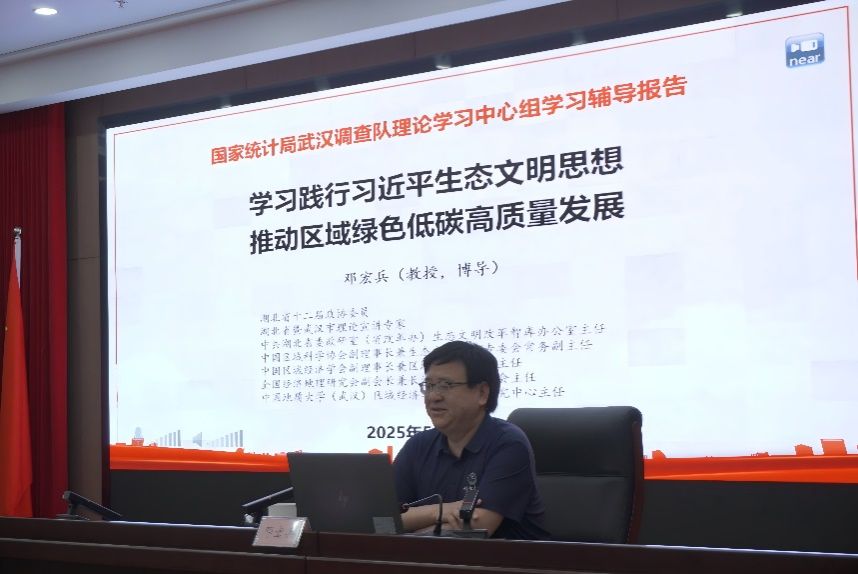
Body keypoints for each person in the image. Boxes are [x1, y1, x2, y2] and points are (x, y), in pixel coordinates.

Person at [394, 340, 549, 540]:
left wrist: (408, 529)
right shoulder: (418, 445)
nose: (433, 396)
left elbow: (477, 526)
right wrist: (441, 511)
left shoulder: (508, 443)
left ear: (482, 393)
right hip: (428, 557)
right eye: (429, 385)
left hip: (507, 558)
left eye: (446, 385)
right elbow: (381, 517)